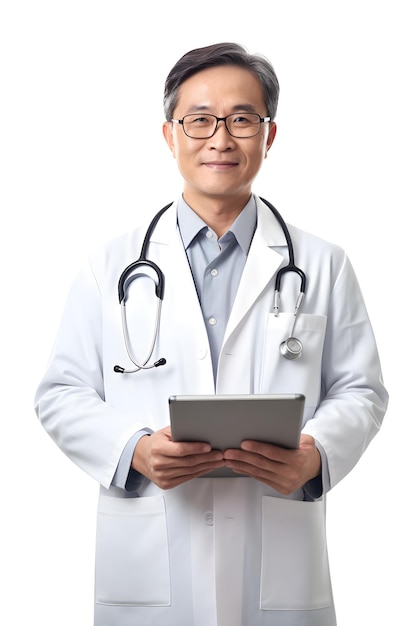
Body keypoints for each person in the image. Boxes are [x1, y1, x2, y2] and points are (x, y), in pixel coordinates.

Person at [34, 42, 389, 626]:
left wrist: (315, 456)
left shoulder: (323, 264)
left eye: (241, 119)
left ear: (269, 136)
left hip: (278, 559)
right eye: (199, 119)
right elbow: (60, 393)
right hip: (151, 561)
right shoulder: (111, 266)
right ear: (170, 135)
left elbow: (362, 392)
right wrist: (136, 452)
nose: (220, 138)